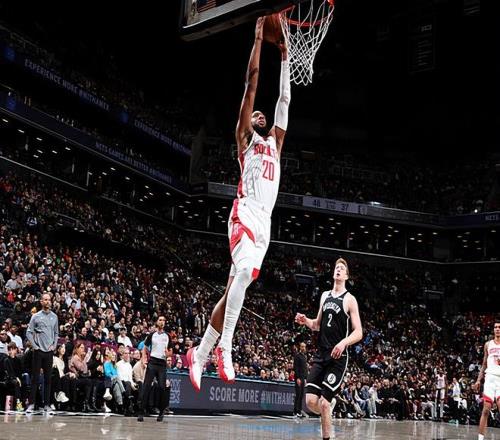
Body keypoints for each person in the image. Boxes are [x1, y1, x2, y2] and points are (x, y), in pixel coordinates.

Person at [187, 16, 291, 392]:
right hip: (244, 212)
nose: (259, 113)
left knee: (235, 287)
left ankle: (199, 353)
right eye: (254, 113)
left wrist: (286, 55)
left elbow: (284, 99)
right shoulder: (245, 139)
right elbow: (252, 83)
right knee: (245, 274)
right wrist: (260, 39)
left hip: (265, 224)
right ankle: (225, 348)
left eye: (263, 114)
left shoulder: (276, 143)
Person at [295, 258, 363, 440]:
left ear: (346, 276)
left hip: (338, 358)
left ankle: (327, 434)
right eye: (336, 267)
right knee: (310, 402)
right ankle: (329, 408)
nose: (338, 270)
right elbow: (317, 325)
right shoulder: (325, 296)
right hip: (321, 355)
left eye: (342, 268)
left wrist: (343, 343)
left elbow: (359, 332)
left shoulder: (350, 299)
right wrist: (305, 320)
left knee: (324, 403)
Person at [25, 293, 59, 413]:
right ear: (41, 302)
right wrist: (35, 346)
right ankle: (31, 404)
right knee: (35, 378)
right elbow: (28, 332)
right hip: (38, 351)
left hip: (49, 352)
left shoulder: (54, 316)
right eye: (45, 300)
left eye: (49, 300)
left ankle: (47, 405)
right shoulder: (35, 316)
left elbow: (56, 333)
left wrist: (54, 346)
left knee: (48, 379)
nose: (47, 302)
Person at [137, 316, 171, 422]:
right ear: (157, 322)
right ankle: (141, 411)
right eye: (160, 320)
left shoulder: (167, 336)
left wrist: (168, 354)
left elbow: (170, 352)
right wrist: (144, 359)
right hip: (152, 362)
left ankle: (161, 412)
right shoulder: (152, 335)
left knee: (162, 388)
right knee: (146, 386)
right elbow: (144, 348)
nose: (162, 322)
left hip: (162, 364)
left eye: (163, 320)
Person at [473, 321, 500, 440]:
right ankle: (480, 438)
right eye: (495, 327)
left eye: (499, 327)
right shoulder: (488, 344)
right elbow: (484, 364)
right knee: (485, 410)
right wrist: (478, 380)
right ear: (493, 330)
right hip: (490, 378)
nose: (497, 329)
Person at [293, 342, 307, 418]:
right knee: (298, 394)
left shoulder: (304, 357)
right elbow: (296, 367)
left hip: (303, 378)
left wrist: (305, 378)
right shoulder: (297, 356)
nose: (303, 348)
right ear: (300, 347)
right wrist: (298, 378)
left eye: (304, 347)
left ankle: (300, 410)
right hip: (298, 378)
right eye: (302, 346)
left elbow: (305, 369)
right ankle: (295, 411)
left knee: (301, 395)